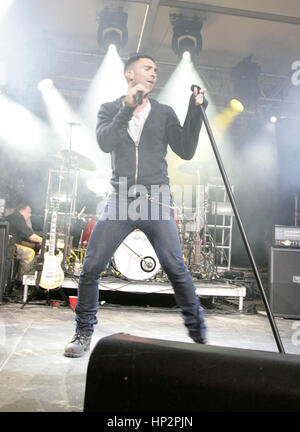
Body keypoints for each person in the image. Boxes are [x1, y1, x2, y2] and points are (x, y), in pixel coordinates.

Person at [64, 54, 208, 358]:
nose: (154, 73)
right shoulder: (110, 109)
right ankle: (83, 332)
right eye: (147, 68)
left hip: (155, 197)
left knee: (175, 266)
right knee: (91, 266)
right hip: (121, 199)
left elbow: (186, 149)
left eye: (156, 69)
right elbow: (106, 141)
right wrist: (127, 108)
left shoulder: (165, 112)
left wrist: (195, 112)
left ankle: (197, 327)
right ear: (130, 73)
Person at [6, 203, 42, 283]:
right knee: (29, 253)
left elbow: (21, 241)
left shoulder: (14, 217)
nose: (30, 215)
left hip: (10, 245)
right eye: (28, 212)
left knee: (28, 250)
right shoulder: (17, 218)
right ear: (22, 211)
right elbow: (31, 236)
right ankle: (21, 281)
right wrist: (45, 241)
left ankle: (17, 279)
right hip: (8, 247)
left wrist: (35, 245)